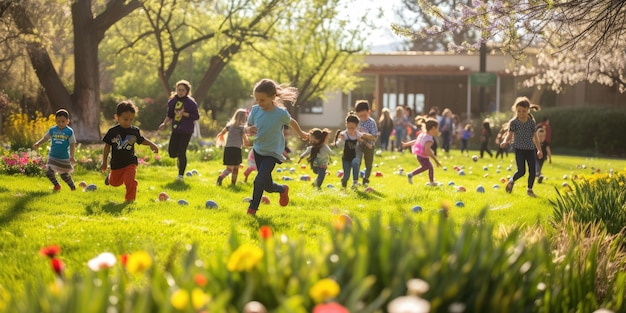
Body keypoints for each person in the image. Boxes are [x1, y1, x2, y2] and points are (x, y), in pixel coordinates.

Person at [244, 78, 309, 216]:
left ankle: (252, 209)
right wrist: (248, 130)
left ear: (272, 97)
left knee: (259, 180)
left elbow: (292, 122)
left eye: (262, 100)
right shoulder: (255, 110)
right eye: (257, 99)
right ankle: (282, 189)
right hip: (258, 150)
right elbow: (247, 126)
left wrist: (301, 133)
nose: (259, 103)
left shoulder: (280, 113)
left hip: (272, 153)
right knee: (267, 185)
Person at [101, 100, 159, 202]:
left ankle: (130, 200)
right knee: (115, 183)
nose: (128, 122)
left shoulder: (134, 131)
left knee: (130, 180)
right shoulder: (113, 131)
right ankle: (110, 177)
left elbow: (141, 140)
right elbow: (107, 147)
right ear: (117, 117)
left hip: (130, 162)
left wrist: (151, 144)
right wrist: (104, 162)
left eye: (131, 119)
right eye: (125, 119)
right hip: (116, 164)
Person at [500, 97, 543, 197]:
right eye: (519, 111)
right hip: (519, 150)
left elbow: (535, 138)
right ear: (515, 110)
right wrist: (505, 141)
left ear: (528, 110)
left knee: (532, 170)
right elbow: (509, 135)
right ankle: (511, 181)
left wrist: (539, 150)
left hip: (530, 150)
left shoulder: (531, 122)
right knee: (521, 171)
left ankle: (529, 190)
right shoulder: (514, 123)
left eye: (524, 111)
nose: (521, 113)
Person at [158, 80, 200, 181]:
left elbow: (196, 116)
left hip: (186, 130)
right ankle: (180, 159)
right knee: (172, 153)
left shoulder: (191, 103)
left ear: (187, 91)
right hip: (176, 129)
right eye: (178, 89)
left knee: (182, 151)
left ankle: (180, 175)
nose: (180, 92)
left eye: (182, 90)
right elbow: (170, 115)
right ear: (176, 90)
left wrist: (184, 114)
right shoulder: (172, 101)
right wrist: (164, 123)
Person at [33, 109, 77, 191]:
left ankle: (72, 186)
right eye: (58, 121)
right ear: (55, 120)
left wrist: (72, 156)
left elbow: (72, 144)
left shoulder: (69, 131)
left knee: (64, 175)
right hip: (53, 156)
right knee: (49, 172)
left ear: (67, 121)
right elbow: (45, 138)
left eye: (63, 121)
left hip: (64, 157)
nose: (60, 123)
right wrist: (38, 143)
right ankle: (57, 185)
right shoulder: (52, 130)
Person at [335, 113, 375, 189]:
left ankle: (355, 182)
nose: (350, 130)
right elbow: (338, 145)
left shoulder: (357, 134)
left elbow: (363, 140)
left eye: (352, 128)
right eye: (349, 128)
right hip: (346, 158)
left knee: (355, 163)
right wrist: (342, 140)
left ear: (357, 127)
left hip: (354, 156)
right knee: (346, 175)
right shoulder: (344, 134)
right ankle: (344, 182)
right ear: (346, 125)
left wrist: (368, 144)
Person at [402, 118, 442, 186]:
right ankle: (411, 174)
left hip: (419, 155)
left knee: (428, 167)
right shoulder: (429, 139)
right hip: (423, 156)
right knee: (427, 167)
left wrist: (407, 144)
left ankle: (431, 181)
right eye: (437, 128)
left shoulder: (423, 135)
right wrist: (435, 160)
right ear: (433, 128)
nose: (438, 131)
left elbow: (416, 141)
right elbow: (427, 149)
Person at [216, 108, 250, 186]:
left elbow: (222, 133)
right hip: (236, 149)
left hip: (228, 149)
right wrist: (248, 142)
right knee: (234, 168)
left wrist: (221, 137)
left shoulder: (229, 126)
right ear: (244, 118)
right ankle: (225, 179)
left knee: (230, 168)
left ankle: (227, 180)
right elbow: (245, 138)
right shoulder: (242, 128)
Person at [354, 100, 378, 187]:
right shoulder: (356, 122)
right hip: (359, 145)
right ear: (356, 114)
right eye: (360, 116)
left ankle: (366, 179)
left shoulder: (371, 122)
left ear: (369, 112)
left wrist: (365, 135)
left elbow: (375, 137)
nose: (363, 117)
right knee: (357, 161)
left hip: (370, 146)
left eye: (365, 115)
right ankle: (355, 180)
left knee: (369, 163)